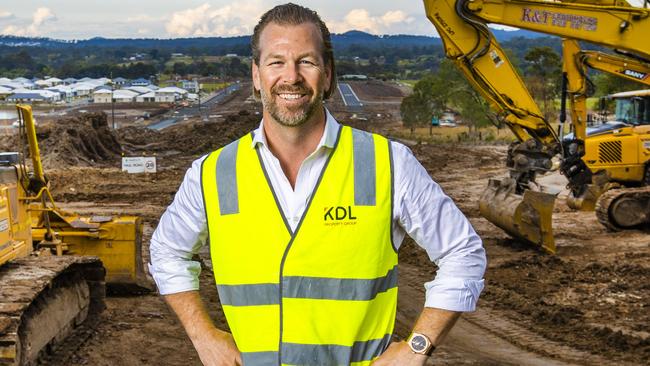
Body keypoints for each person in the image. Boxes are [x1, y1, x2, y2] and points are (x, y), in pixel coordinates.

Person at [149, 3, 486, 365]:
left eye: (306, 61)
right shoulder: (213, 173)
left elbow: (463, 253)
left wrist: (417, 346)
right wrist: (203, 336)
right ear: (256, 75)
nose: (291, 76)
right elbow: (166, 251)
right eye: (276, 61)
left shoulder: (388, 164)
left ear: (327, 75)